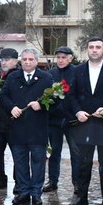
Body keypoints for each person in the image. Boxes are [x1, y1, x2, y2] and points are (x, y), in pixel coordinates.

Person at [66, 37, 103, 205]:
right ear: (87, 50)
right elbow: (71, 96)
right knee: (83, 163)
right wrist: (77, 111)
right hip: (83, 122)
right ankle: (81, 197)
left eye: (98, 47)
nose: (94, 50)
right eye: (91, 47)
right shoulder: (77, 70)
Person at [0, 48, 53, 205]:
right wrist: (11, 107)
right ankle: (23, 192)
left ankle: (36, 194)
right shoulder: (13, 77)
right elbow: (3, 96)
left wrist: (41, 105)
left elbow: (55, 100)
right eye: (25, 59)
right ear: (21, 61)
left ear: (36, 61)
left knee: (38, 163)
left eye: (31, 59)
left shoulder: (46, 78)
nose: (27, 62)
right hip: (18, 129)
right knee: (20, 163)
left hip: (38, 129)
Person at [44, 45, 78, 194]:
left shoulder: (77, 72)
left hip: (72, 120)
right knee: (54, 151)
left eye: (64, 57)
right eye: (58, 57)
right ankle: (52, 180)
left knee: (76, 153)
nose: (61, 60)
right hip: (54, 119)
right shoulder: (50, 74)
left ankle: (77, 182)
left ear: (70, 58)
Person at [0, 48, 20, 192]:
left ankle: (19, 181)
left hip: (14, 123)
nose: (4, 62)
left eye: (7, 60)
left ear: (15, 61)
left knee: (18, 155)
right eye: (3, 60)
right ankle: (0, 178)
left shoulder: (19, 76)